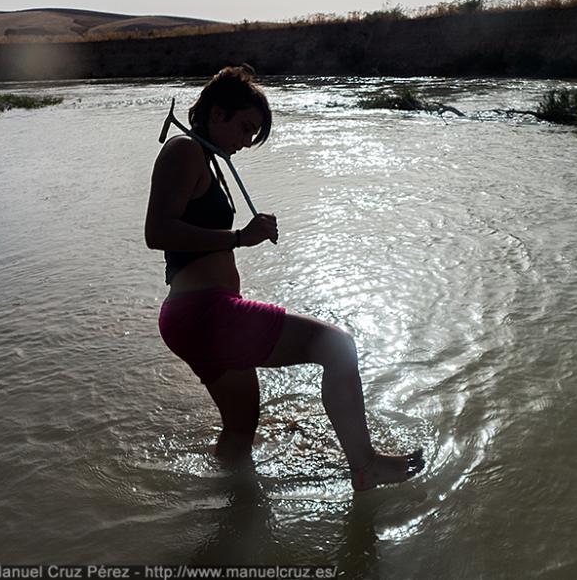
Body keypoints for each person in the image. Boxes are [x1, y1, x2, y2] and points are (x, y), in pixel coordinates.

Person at [144, 65, 424, 490]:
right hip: (205, 313)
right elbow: (157, 232)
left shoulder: (204, 157)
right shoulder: (184, 150)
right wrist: (241, 236)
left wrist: (239, 238)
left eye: (253, 133)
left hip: (197, 318)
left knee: (240, 430)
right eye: (244, 128)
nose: (246, 141)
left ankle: (224, 504)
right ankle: (365, 465)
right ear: (217, 113)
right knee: (338, 346)